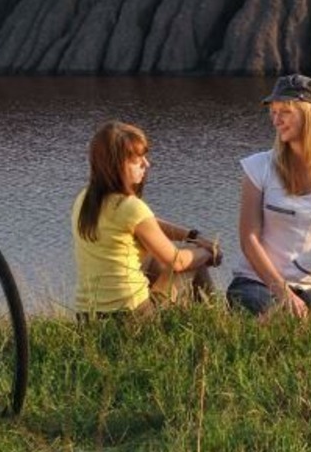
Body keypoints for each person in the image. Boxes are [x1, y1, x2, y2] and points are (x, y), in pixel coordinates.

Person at [227, 74, 311, 325]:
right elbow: (249, 239)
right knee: (281, 321)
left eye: (285, 112)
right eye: (273, 112)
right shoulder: (258, 167)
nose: (276, 120)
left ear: (310, 115)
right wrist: (283, 292)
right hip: (256, 282)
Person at [72, 121, 220, 318]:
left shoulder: (84, 200)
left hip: (87, 316)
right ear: (117, 165)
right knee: (192, 261)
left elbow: (147, 224)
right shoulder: (131, 207)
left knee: (152, 256)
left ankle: (199, 318)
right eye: (137, 160)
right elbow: (178, 262)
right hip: (132, 317)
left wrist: (192, 236)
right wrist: (206, 252)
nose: (146, 164)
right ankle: (215, 320)